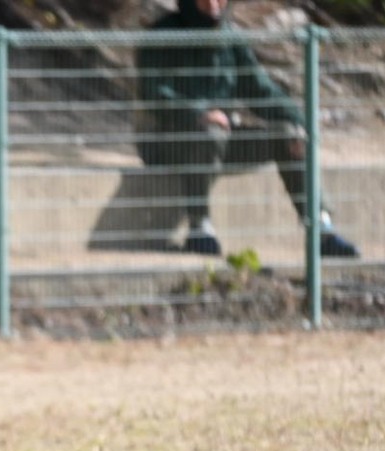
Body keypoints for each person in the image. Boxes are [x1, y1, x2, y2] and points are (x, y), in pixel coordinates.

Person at [134, 0, 358, 258]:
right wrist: (198, 114)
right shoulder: (162, 35)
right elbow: (153, 93)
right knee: (210, 133)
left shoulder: (230, 36)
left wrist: (300, 124)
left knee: (288, 136)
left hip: (220, 141)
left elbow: (260, 90)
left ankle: (322, 230)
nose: (213, 4)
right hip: (167, 144)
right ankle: (200, 229)